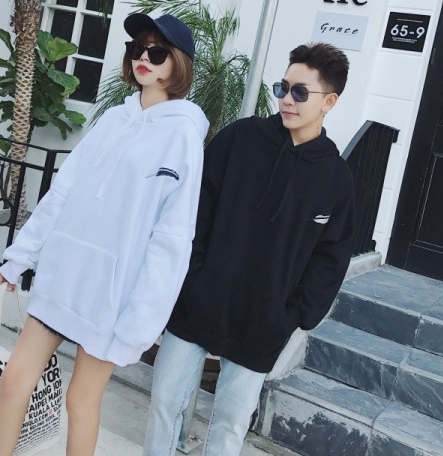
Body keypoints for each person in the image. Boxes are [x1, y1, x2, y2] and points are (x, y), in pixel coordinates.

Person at [0, 13, 209, 456]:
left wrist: (142, 321)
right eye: (137, 49)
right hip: (65, 274)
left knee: (81, 400)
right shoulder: (113, 119)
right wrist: (21, 255)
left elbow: (172, 237)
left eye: (157, 53)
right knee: (13, 381)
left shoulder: (183, 134)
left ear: (178, 63)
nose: (144, 58)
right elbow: (64, 189)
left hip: (112, 293)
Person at [143, 42, 355, 456]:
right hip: (199, 300)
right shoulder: (240, 138)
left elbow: (331, 257)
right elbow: (196, 208)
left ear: (329, 102)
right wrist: (193, 276)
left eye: (300, 92)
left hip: (263, 321)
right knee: (165, 401)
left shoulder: (336, 178)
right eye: (283, 88)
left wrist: (292, 315)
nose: (286, 99)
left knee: (231, 424)